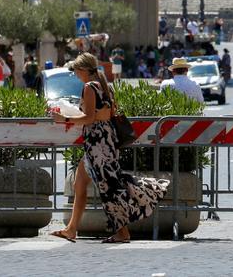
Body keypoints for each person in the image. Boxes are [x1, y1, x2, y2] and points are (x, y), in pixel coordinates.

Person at [52, 53, 169, 244]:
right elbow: (106, 114)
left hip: (97, 145)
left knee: (109, 188)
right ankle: (71, 229)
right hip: (105, 141)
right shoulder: (105, 87)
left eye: (75, 71)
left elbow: (89, 118)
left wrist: (64, 118)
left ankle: (128, 223)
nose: (75, 74)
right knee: (80, 184)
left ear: (82, 70)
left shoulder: (89, 88)